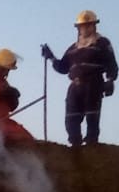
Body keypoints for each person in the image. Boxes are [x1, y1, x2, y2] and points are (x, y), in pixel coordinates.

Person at [41, 10, 118, 146]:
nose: (85, 28)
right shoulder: (73, 48)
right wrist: (51, 57)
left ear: (94, 26)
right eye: (82, 26)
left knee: (92, 116)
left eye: (88, 25)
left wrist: (110, 80)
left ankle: (91, 145)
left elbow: (111, 63)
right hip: (75, 86)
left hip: (93, 84)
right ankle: (75, 146)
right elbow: (63, 67)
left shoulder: (102, 43)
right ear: (78, 28)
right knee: (71, 118)